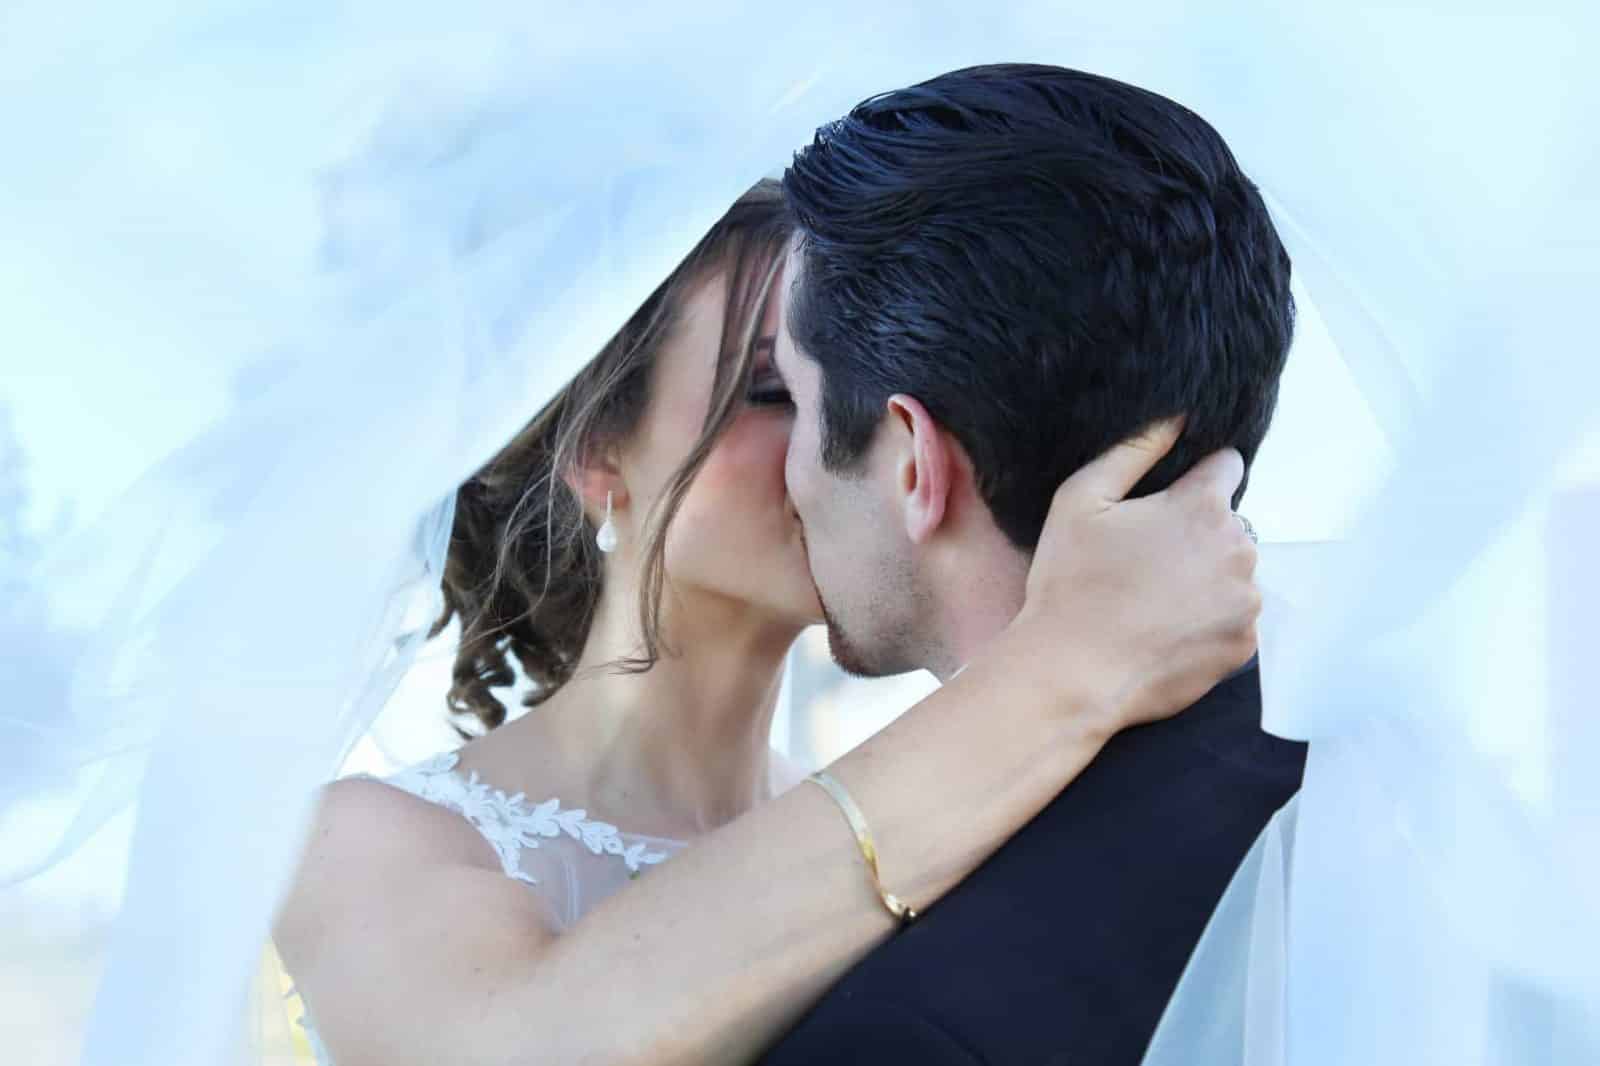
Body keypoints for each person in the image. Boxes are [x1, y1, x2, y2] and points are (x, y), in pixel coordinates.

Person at [273, 176, 1261, 1064]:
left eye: (855, 381)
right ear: (596, 456)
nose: (844, 435)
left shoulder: (957, 796)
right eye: (771, 392)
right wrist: (1069, 662)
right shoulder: (364, 838)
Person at [758, 64, 1305, 1064]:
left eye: (788, 398)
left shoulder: (903, 1024)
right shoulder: (1385, 820)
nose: (780, 471)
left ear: (916, 461)